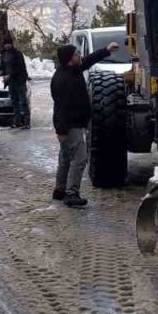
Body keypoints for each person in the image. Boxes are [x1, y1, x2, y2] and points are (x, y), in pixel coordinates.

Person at [50, 41, 119, 207]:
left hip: (71, 125)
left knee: (66, 157)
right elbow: (60, 106)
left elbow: (88, 60)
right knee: (80, 159)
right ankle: (72, 193)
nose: (79, 56)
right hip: (70, 126)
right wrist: (61, 129)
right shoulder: (63, 79)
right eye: (76, 54)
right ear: (69, 58)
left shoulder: (73, 70)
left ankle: (60, 189)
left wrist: (106, 50)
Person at [0, 36, 31, 128]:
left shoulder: (17, 54)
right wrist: (2, 72)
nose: (7, 46)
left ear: (11, 44)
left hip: (19, 80)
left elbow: (20, 67)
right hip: (11, 82)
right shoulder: (3, 54)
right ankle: (17, 121)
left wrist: (10, 75)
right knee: (14, 101)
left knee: (23, 101)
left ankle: (26, 122)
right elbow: (2, 66)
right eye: (5, 44)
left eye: (8, 44)